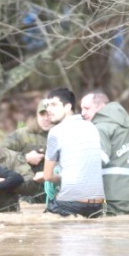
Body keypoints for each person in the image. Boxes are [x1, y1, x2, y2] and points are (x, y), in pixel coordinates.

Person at [43, 88, 105, 218]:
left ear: (68, 107)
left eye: (54, 104)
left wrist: (60, 178)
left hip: (70, 204)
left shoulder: (55, 132)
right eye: (47, 105)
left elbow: (47, 176)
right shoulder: (92, 127)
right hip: (98, 205)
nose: (48, 109)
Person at [81, 90, 129, 215]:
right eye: (81, 109)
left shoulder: (101, 126)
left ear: (101, 107)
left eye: (87, 108)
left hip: (110, 195)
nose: (82, 113)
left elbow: (98, 160)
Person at [0, 99, 52, 202]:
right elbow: (1, 156)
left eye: (49, 115)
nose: (46, 119)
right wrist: (25, 158)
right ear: (37, 115)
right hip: (26, 194)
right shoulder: (21, 135)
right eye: (42, 114)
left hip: (53, 192)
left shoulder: (62, 135)